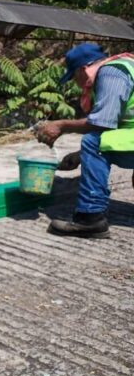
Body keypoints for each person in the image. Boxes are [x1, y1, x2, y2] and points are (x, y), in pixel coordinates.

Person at [36, 42, 134, 238]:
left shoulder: (111, 73)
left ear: (83, 70)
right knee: (95, 145)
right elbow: (120, 127)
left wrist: (61, 126)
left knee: (92, 141)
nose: (76, 83)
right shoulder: (125, 65)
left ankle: (90, 218)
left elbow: (103, 124)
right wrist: (81, 156)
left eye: (73, 77)